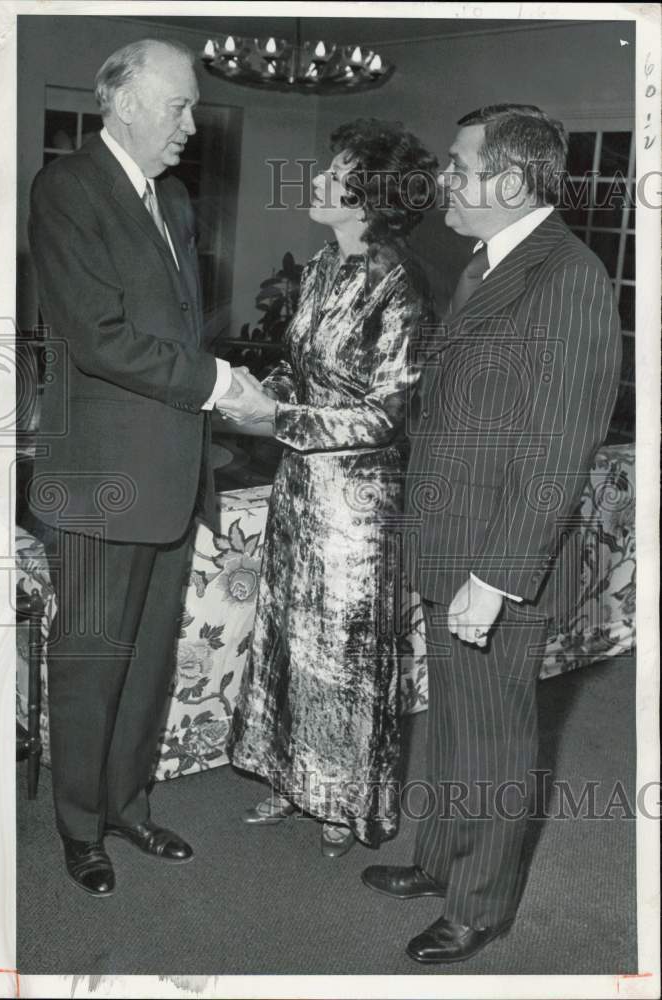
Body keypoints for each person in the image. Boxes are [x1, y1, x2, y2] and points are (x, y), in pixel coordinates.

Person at [361, 105, 622, 962]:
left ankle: (480, 904)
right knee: (454, 719)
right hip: (454, 537)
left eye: (460, 166)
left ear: (510, 181)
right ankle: (441, 857)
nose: (445, 180)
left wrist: (498, 576)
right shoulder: (488, 259)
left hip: (501, 557)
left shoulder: (567, 277)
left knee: (497, 735)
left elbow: (558, 447)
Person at [27, 38, 244, 897]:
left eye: (190, 107)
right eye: (178, 106)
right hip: (99, 478)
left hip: (170, 473)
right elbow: (100, 338)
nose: (192, 125)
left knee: (151, 660)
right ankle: (80, 829)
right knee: (90, 663)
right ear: (121, 102)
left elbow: (178, 330)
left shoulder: (176, 198)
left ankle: (128, 804)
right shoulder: (66, 189)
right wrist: (221, 382)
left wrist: (212, 389)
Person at [220, 119, 437, 857]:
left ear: (369, 197)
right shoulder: (319, 265)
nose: (317, 181)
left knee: (343, 655)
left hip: (357, 506)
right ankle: (290, 777)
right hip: (299, 491)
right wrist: (255, 393)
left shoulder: (400, 286)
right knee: (288, 636)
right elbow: (304, 373)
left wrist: (278, 415)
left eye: (335, 172)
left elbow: (383, 414)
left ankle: (344, 802)